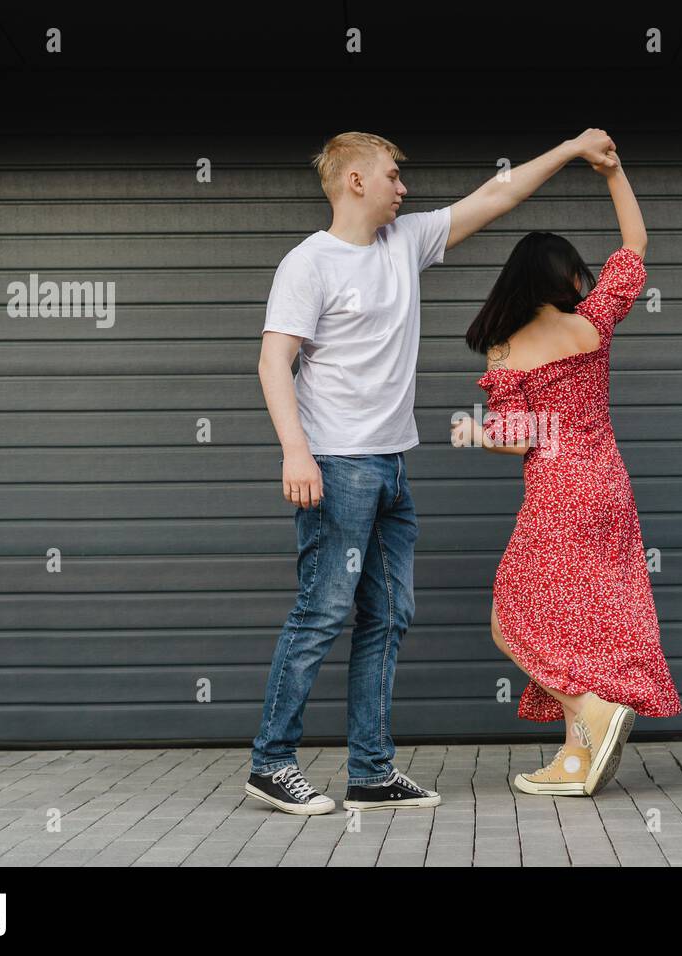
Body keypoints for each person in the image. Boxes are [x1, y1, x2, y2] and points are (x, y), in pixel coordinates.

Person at [247, 129, 622, 815]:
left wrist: (570, 150)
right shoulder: (309, 264)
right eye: (392, 175)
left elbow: (499, 194)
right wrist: (294, 450)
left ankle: (370, 771)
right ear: (355, 180)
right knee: (323, 610)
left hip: (391, 466)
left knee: (387, 618)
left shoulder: (406, 242)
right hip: (335, 465)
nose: (404, 186)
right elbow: (276, 361)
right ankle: (271, 762)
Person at [451, 149, 682, 797]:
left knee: (513, 615)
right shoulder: (592, 324)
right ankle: (575, 763)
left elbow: (513, 436)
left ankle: (591, 707)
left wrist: (476, 431)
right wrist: (612, 173)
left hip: (558, 492)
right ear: (566, 280)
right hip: (610, 487)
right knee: (581, 621)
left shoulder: (507, 347)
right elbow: (635, 242)